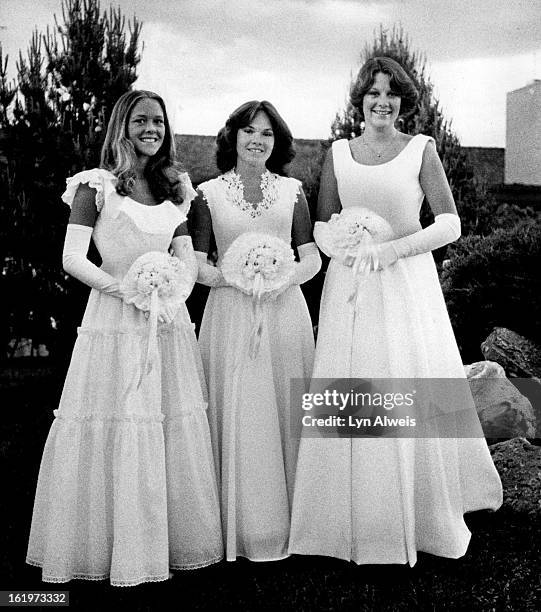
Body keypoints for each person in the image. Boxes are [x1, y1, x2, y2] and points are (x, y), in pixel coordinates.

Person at [289, 57, 502, 565]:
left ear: (403, 102)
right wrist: (346, 244)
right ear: (358, 101)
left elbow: (449, 224)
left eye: (391, 94)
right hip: (351, 288)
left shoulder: (420, 150)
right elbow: (320, 225)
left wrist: (392, 250)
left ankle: (422, 506)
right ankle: (349, 512)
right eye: (372, 93)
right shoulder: (339, 153)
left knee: (410, 379)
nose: (381, 102)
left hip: (406, 281)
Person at [26, 90, 223, 586]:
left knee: (168, 425)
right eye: (141, 120)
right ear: (123, 125)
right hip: (112, 320)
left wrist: (169, 284)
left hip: (168, 324)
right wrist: (126, 290)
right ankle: (106, 545)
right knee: (114, 421)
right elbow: (73, 258)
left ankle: (169, 541)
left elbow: (185, 257)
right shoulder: (96, 186)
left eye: (158, 120)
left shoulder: (177, 186)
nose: (151, 128)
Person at [190, 100, 321, 561]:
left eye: (266, 133)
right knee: (238, 409)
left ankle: (298, 523)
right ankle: (241, 526)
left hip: (284, 313)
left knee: (286, 409)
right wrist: (238, 278)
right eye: (248, 130)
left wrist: (277, 277)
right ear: (233, 137)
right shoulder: (206, 195)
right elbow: (198, 265)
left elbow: (310, 257)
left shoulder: (293, 192)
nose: (257, 140)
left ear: (276, 142)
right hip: (229, 315)